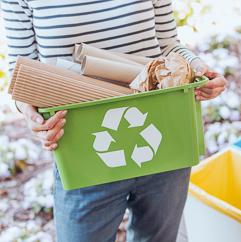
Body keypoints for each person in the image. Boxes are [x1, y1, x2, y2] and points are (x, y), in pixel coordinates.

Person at [1, 0, 226, 241]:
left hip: (163, 138)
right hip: (82, 150)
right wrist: (31, 115)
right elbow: (22, 71)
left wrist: (199, 69)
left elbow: (168, 44)